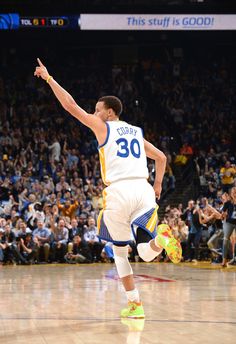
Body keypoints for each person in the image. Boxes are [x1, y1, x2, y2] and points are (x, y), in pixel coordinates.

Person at [34, 58, 182, 319]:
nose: (94, 113)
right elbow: (161, 157)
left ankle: (135, 305)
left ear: (110, 112)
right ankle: (162, 239)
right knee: (147, 253)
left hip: (119, 192)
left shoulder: (103, 127)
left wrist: (49, 78)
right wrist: (158, 184)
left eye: (97, 109)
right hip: (144, 189)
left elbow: (70, 106)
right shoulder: (136, 131)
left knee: (120, 253)